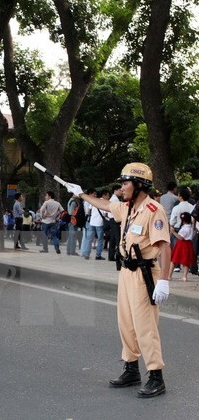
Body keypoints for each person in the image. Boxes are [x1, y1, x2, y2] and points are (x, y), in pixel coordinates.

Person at [66, 162, 170, 398]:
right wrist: (81, 193)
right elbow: (105, 204)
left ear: (139, 184)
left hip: (145, 274)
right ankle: (131, 369)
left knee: (145, 326)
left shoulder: (153, 210)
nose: (122, 187)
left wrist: (164, 280)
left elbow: (164, 246)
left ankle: (156, 376)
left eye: (125, 183)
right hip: (126, 272)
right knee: (126, 323)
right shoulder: (127, 208)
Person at [80, 190, 109, 260]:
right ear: (104, 195)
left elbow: (88, 211)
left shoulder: (94, 201)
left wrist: (93, 216)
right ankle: (98, 255)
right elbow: (105, 214)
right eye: (108, 195)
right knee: (100, 240)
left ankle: (86, 254)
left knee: (89, 239)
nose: (108, 197)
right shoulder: (104, 202)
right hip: (99, 223)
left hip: (92, 222)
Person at [168, 212, 194, 282]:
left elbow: (180, 238)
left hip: (181, 244)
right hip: (188, 244)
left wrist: (173, 232)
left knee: (174, 260)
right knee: (186, 261)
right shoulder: (190, 227)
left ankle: (169, 276)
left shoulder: (184, 228)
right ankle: (184, 277)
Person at [107, 184, 124, 261]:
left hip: (113, 220)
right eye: (120, 190)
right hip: (115, 220)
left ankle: (111, 256)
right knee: (118, 238)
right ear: (115, 191)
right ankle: (119, 256)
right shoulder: (114, 200)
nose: (121, 191)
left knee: (113, 238)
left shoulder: (115, 199)